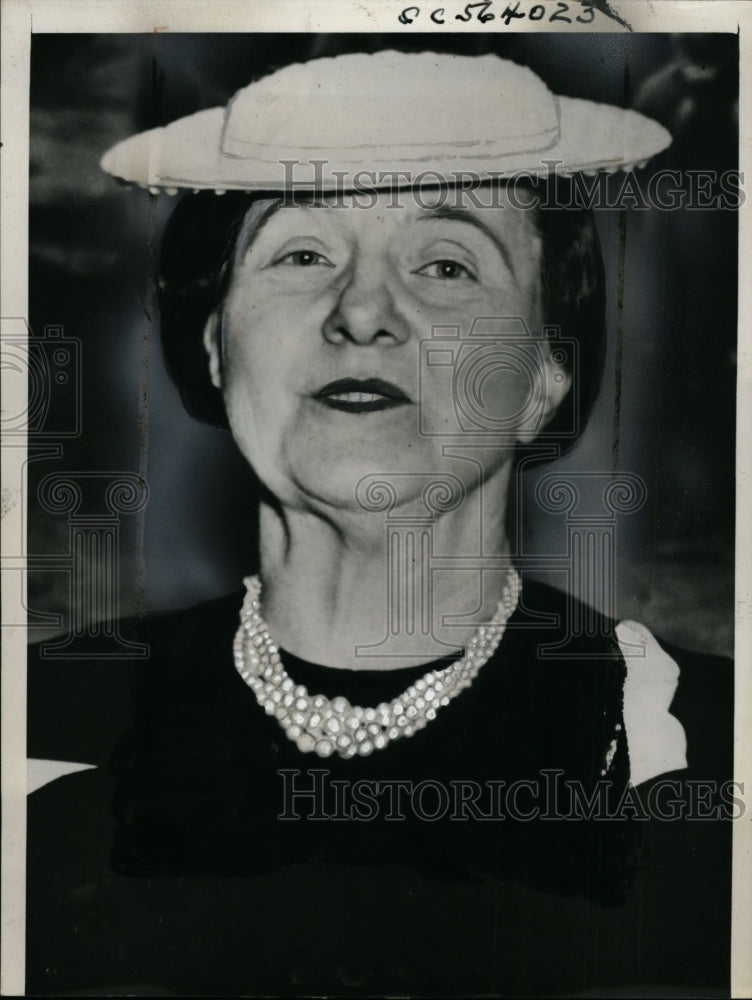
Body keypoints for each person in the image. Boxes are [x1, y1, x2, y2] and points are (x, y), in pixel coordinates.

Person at [26, 49, 733, 997]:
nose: (362, 313)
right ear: (215, 347)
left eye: (447, 264)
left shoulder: (706, 740)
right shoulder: (38, 721)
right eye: (302, 253)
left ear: (544, 378)